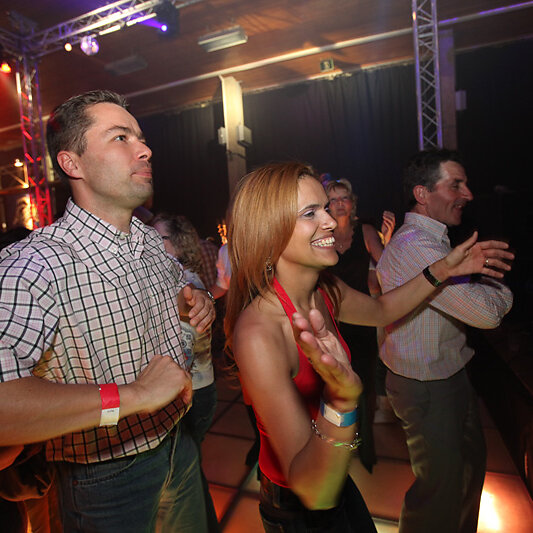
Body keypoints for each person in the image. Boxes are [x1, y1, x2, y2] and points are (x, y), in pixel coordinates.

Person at [224, 161, 513, 532]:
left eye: (325, 208)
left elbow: (382, 309)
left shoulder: (326, 289)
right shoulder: (258, 333)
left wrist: (442, 270)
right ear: (269, 233)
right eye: (310, 213)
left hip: (335, 473)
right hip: (297, 506)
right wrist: (341, 402)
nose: (330, 221)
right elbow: (313, 490)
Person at [0, 90, 215, 533]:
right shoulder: (33, 265)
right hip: (105, 477)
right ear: (72, 163)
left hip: (179, 443)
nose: (145, 149)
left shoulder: (149, 241)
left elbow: (183, 293)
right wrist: (132, 396)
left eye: (140, 137)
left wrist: (199, 302)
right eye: (121, 137)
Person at [376, 149, 514, 533]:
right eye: (456, 185)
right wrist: (503, 290)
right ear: (422, 194)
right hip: (426, 384)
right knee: (438, 494)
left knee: (468, 471)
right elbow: (486, 314)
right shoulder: (416, 247)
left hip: (450, 371)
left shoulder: (436, 242)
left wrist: (481, 286)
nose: (468, 194)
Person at [151, 213, 220, 533]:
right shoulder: (180, 279)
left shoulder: (187, 285)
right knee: (189, 472)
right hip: (197, 390)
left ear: (176, 244)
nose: (149, 242)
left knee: (187, 475)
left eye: (158, 238)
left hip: (193, 394)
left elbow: (185, 351)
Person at [325, 178, 395, 471]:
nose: (339, 204)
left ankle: (365, 448)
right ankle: (336, 447)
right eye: (333, 199)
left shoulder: (365, 231)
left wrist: (387, 241)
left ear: (352, 203)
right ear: (327, 206)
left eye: (344, 198)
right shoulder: (322, 234)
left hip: (361, 320)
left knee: (363, 385)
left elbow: (388, 267)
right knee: (334, 386)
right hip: (330, 321)